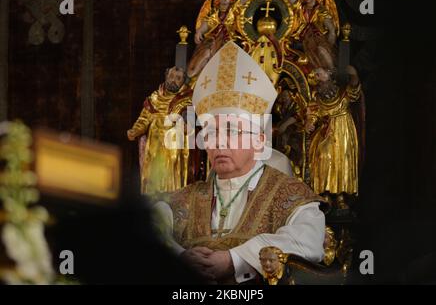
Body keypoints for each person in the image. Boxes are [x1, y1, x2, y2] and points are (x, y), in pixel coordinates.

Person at [155, 42, 327, 284]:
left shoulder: (290, 195)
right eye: (211, 133)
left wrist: (234, 260)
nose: (219, 143)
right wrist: (181, 257)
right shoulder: (183, 199)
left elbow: (308, 239)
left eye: (232, 131)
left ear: (259, 140)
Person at [127, 66, 192, 195]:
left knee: (171, 172)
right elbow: (144, 119)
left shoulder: (187, 101)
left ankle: (172, 201)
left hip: (174, 147)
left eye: (178, 78)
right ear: (166, 77)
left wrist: (184, 125)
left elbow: (189, 125)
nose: (173, 80)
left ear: (183, 82)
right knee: (153, 173)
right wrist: (135, 130)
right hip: (154, 146)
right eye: (171, 76)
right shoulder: (154, 99)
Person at [305, 66, 361, 209]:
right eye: (315, 75)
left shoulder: (343, 92)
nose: (317, 77)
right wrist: (309, 123)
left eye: (320, 73)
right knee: (324, 157)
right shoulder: (317, 98)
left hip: (344, 130)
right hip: (327, 132)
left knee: (342, 160)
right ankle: (325, 194)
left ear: (329, 73)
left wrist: (354, 75)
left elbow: (354, 91)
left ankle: (341, 196)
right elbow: (313, 114)